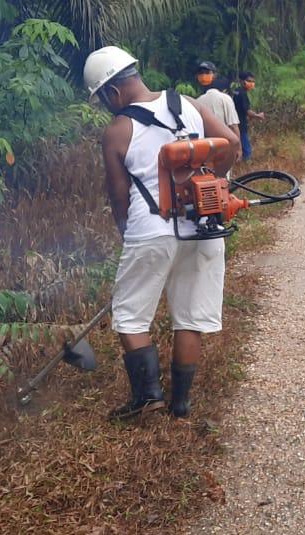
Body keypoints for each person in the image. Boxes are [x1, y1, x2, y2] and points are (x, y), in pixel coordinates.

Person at [84, 46, 241, 421]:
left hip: (150, 230)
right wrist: (212, 186)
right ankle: (180, 404)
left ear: (112, 92)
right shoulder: (187, 103)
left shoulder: (118, 130)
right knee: (189, 316)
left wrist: (126, 232)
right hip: (203, 227)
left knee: (130, 316)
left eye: (103, 99)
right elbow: (232, 144)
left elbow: (118, 195)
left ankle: (148, 398)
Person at [194, 61, 241, 146]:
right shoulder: (226, 99)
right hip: (225, 143)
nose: (203, 76)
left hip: (207, 145)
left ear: (215, 75)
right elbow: (233, 126)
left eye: (207, 72)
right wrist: (238, 147)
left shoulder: (196, 102)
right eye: (201, 73)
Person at [232, 71, 267, 161]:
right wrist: (258, 116)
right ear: (242, 81)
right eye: (249, 81)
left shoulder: (236, 91)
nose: (251, 83)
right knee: (246, 149)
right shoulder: (242, 94)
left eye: (253, 81)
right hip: (240, 124)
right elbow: (247, 111)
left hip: (234, 122)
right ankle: (246, 164)